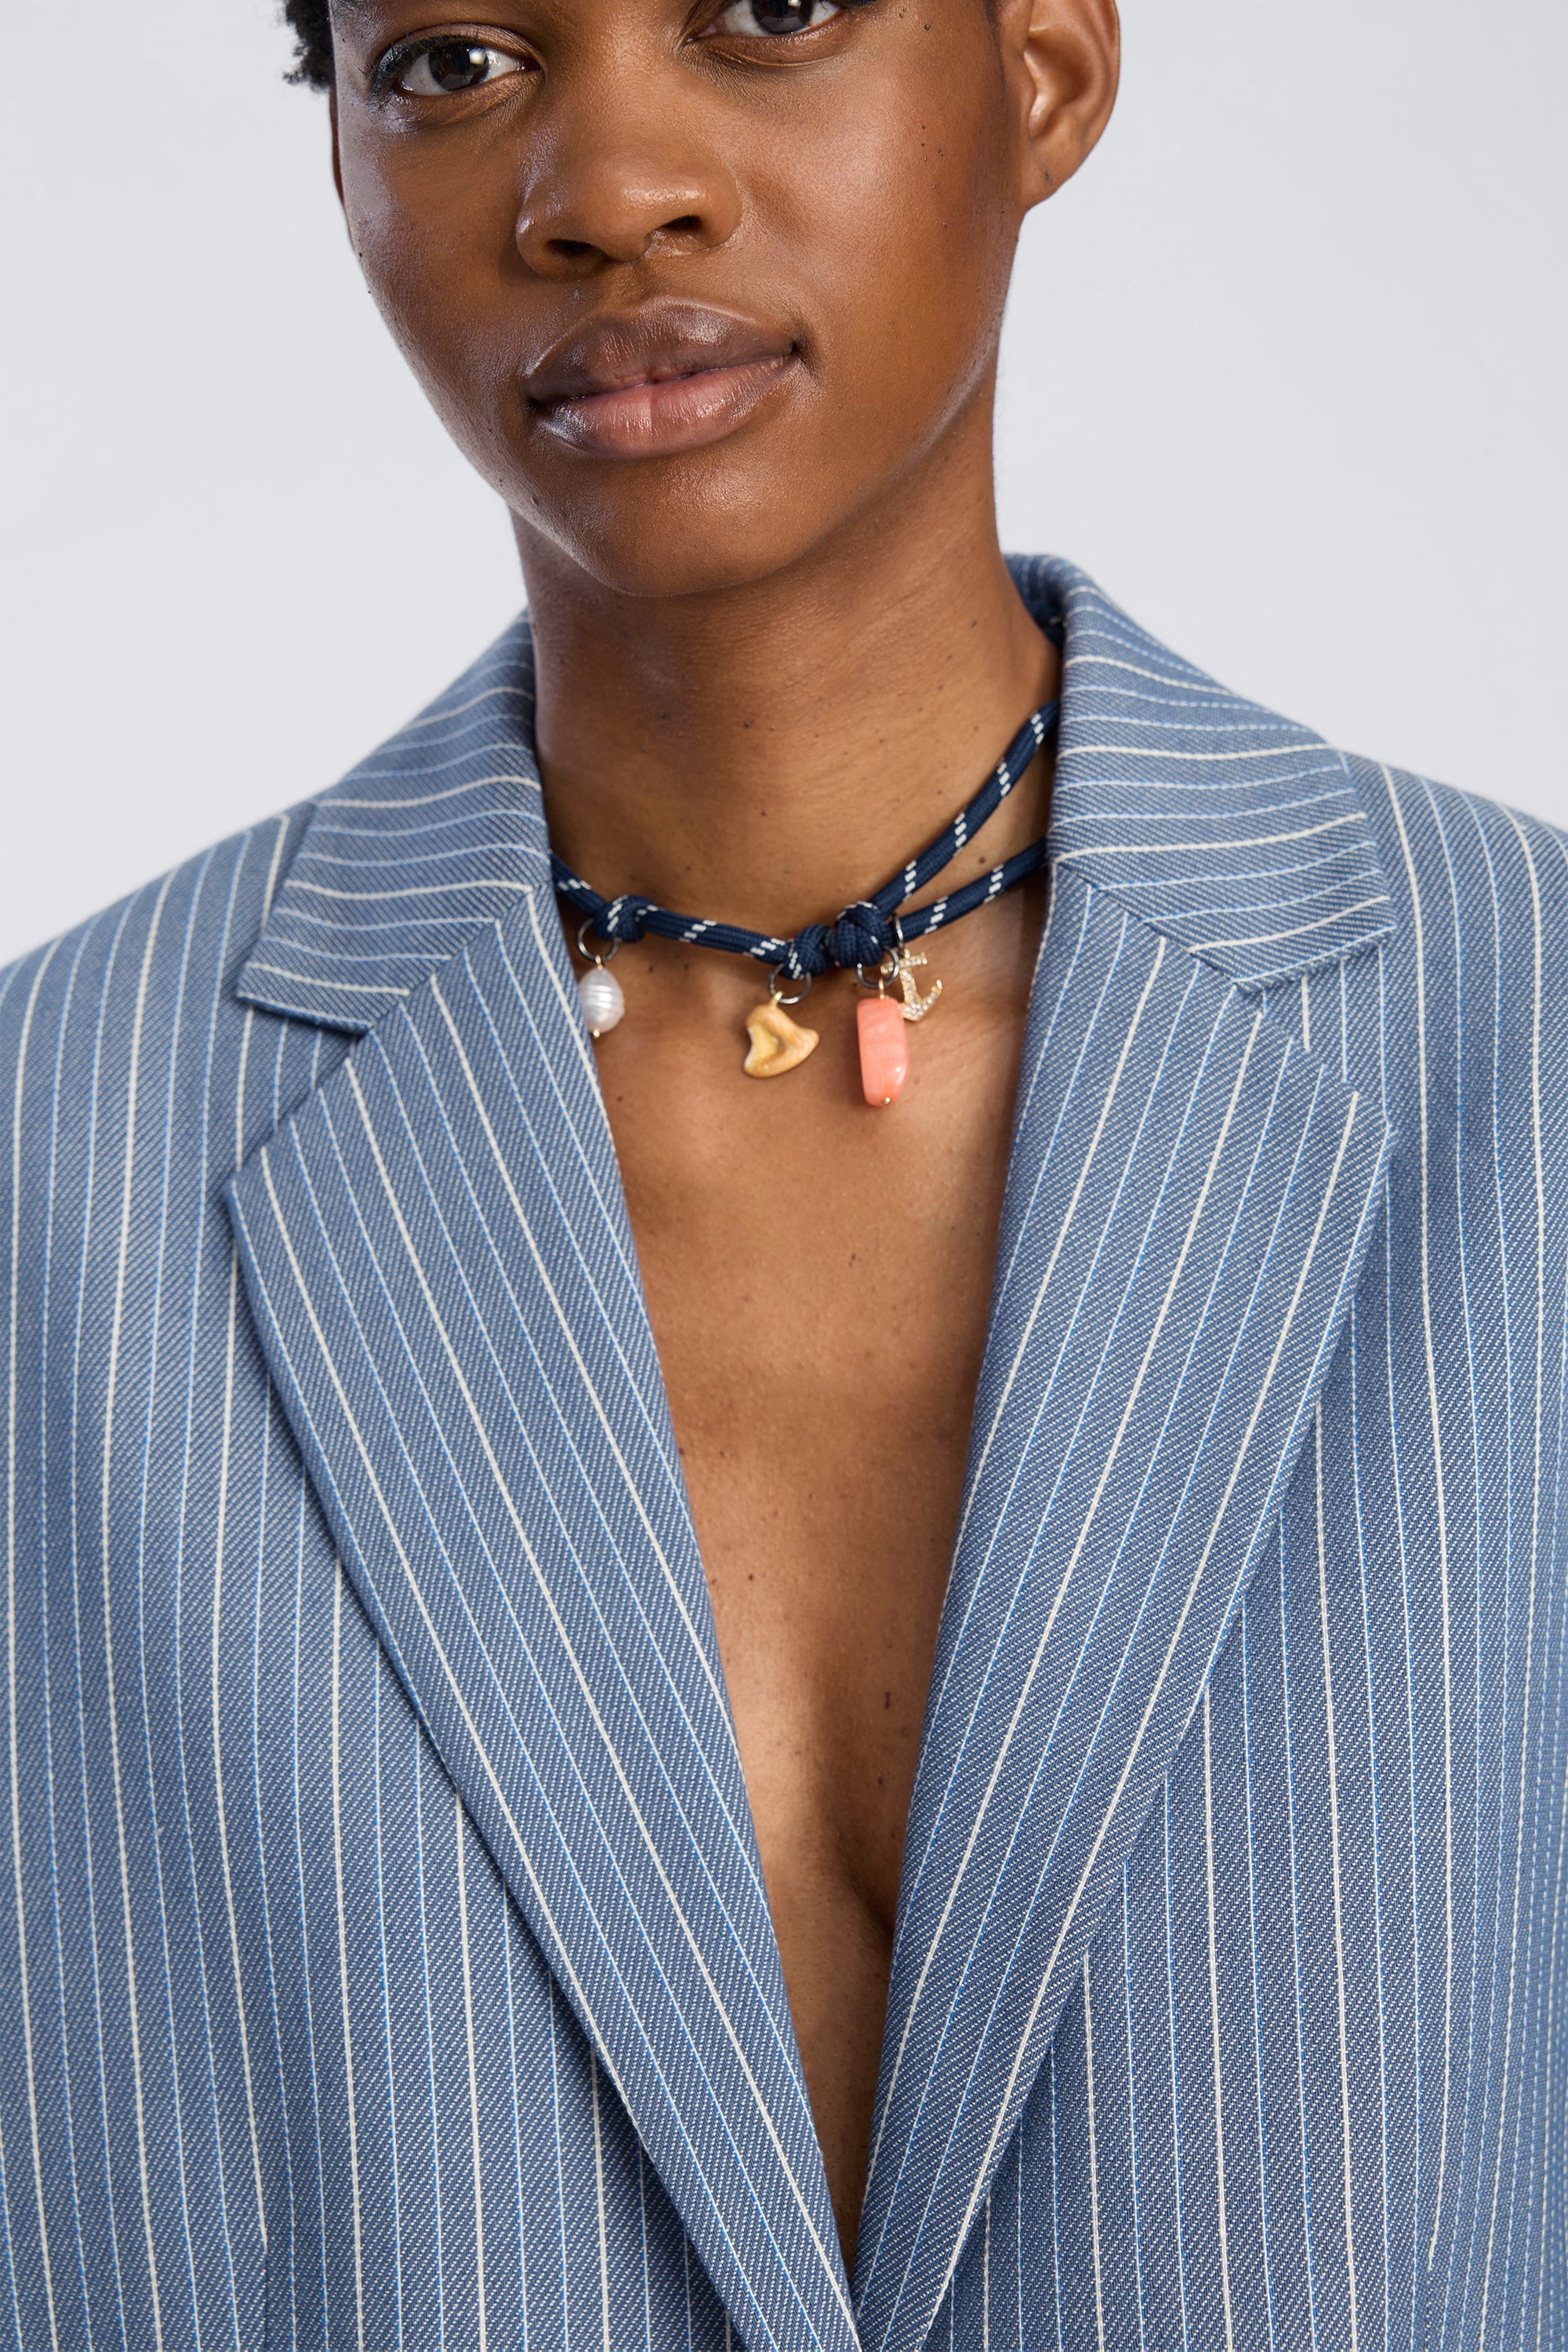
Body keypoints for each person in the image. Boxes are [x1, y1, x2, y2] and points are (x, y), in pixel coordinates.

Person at [1, 0, 1563, 2341]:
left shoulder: (1525, 1049)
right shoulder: (48, 1168)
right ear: (340, 166)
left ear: (1045, 70)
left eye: (770, 6)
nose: (609, 189)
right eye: (451, 62)